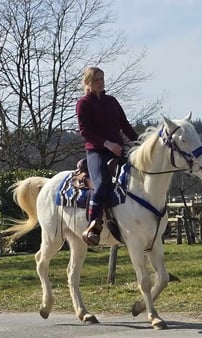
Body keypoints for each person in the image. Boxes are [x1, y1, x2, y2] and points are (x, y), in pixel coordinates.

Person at [76, 66, 138, 246]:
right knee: (101, 184)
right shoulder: (84, 104)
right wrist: (108, 144)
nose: (101, 82)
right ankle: (93, 227)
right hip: (97, 152)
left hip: (118, 150)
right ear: (88, 82)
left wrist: (139, 142)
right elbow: (85, 131)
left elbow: (124, 125)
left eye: (102, 78)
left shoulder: (111, 101)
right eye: (96, 79)